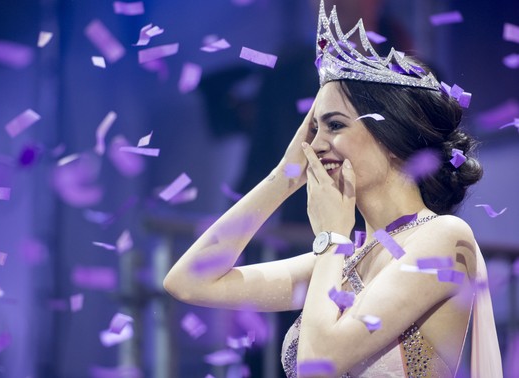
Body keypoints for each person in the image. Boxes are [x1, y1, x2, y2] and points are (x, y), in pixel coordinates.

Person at [164, 2, 503, 377]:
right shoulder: (347, 255)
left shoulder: (442, 236)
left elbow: (317, 365)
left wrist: (330, 236)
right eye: (314, 129)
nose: (317, 144)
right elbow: (189, 281)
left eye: (335, 125)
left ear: (390, 134)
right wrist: (284, 176)